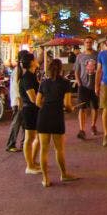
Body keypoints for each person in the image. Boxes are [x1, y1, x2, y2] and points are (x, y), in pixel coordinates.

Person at [35, 59, 79, 187]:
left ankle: (45, 179)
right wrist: (71, 109)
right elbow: (67, 104)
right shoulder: (65, 83)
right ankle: (64, 174)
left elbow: (38, 102)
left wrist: (46, 104)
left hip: (43, 115)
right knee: (59, 149)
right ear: (61, 69)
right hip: (57, 115)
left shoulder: (44, 83)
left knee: (43, 149)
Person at [18, 53, 42, 174]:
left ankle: (33, 162)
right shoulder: (27, 77)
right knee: (29, 138)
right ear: (32, 62)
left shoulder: (32, 76)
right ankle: (29, 165)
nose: (37, 60)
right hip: (30, 110)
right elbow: (33, 98)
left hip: (34, 109)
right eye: (35, 59)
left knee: (38, 137)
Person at [73, 37, 100, 139]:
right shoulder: (80, 56)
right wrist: (79, 83)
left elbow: (101, 69)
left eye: (90, 42)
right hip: (83, 86)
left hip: (95, 85)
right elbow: (76, 71)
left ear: (92, 43)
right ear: (84, 43)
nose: (88, 44)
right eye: (87, 42)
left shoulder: (97, 55)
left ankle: (93, 125)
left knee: (95, 107)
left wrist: (99, 84)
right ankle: (82, 129)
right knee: (81, 108)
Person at [5, 50, 30, 152]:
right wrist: (19, 100)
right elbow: (17, 88)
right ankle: (11, 144)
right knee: (17, 123)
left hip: (19, 101)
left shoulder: (19, 70)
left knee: (24, 123)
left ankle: (24, 143)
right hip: (18, 102)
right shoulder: (18, 72)